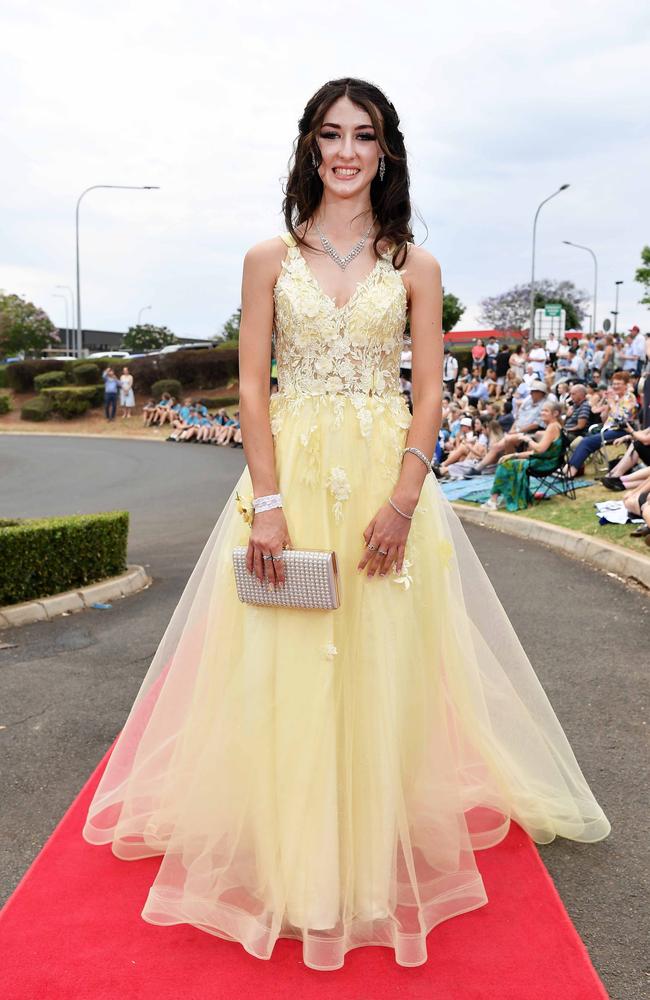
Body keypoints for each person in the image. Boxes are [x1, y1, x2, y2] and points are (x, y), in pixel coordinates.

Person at [81, 77, 610, 973]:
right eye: (332, 134)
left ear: (386, 151)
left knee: (380, 668)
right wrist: (270, 501)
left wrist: (403, 501)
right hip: (286, 482)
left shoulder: (417, 268)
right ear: (311, 147)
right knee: (282, 664)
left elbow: (432, 396)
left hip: (380, 484)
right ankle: (294, 862)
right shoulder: (266, 260)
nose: (347, 151)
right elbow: (252, 386)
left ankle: (366, 866)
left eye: (364, 135)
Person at [480, 401, 564, 511]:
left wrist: (527, 439)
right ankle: (506, 496)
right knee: (507, 461)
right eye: (542, 410)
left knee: (504, 465)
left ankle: (493, 500)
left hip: (545, 465)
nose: (542, 412)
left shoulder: (553, 427)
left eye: (546, 411)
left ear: (555, 413)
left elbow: (539, 449)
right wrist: (514, 455)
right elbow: (539, 453)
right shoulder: (555, 426)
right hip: (546, 461)